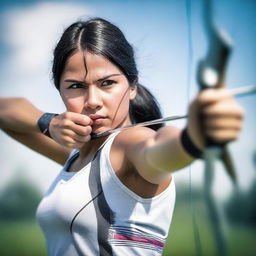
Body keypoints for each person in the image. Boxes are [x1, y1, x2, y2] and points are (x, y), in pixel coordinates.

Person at [0, 18, 244, 256]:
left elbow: (158, 147)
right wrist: (49, 122)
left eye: (107, 83)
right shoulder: (77, 154)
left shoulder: (127, 145)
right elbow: (5, 112)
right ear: (60, 89)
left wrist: (194, 139)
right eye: (76, 86)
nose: (93, 102)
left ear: (132, 86)